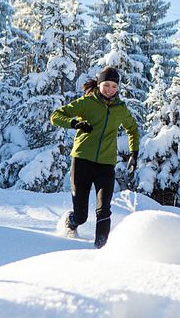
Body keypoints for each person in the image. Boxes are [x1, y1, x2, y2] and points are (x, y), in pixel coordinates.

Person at [50, 66, 139, 249]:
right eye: (107, 85)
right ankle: (71, 221)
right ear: (99, 85)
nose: (110, 90)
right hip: (82, 161)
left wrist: (134, 153)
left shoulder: (121, 109)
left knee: (104, 210)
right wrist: (75, 123)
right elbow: (56, 116)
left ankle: (101, 250)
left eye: (114, 86)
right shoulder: (86, 103)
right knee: (81, 215)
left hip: (106, 165)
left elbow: (132, 129)